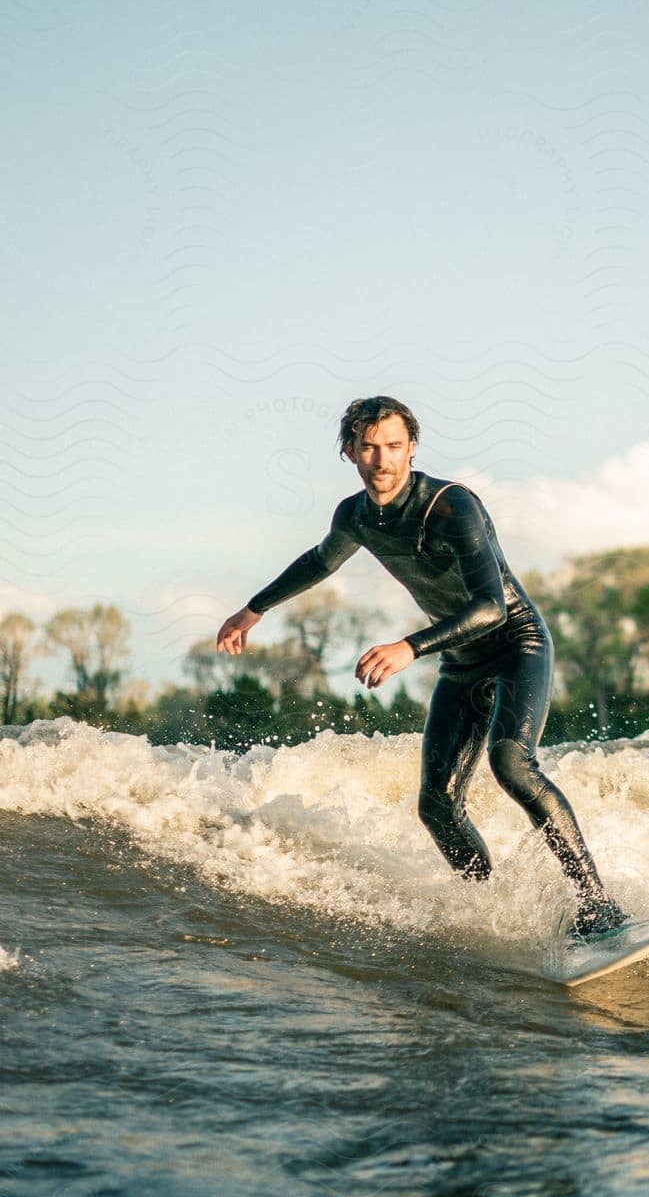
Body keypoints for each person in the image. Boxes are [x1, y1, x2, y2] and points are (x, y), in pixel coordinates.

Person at [216, 395, 627, 940]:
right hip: (461, 661)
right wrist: (253, 609)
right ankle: (498, 912)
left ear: (412, 448)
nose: (381, 461)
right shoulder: (356, 516)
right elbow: (320, 560)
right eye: (368, 448)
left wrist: (408, 647)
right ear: (349, 453)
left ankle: (598, 905)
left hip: (515, 645)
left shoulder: (452, 507)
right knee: (436, 807)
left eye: (393, 447)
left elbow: (491, 606)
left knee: (513, 766)